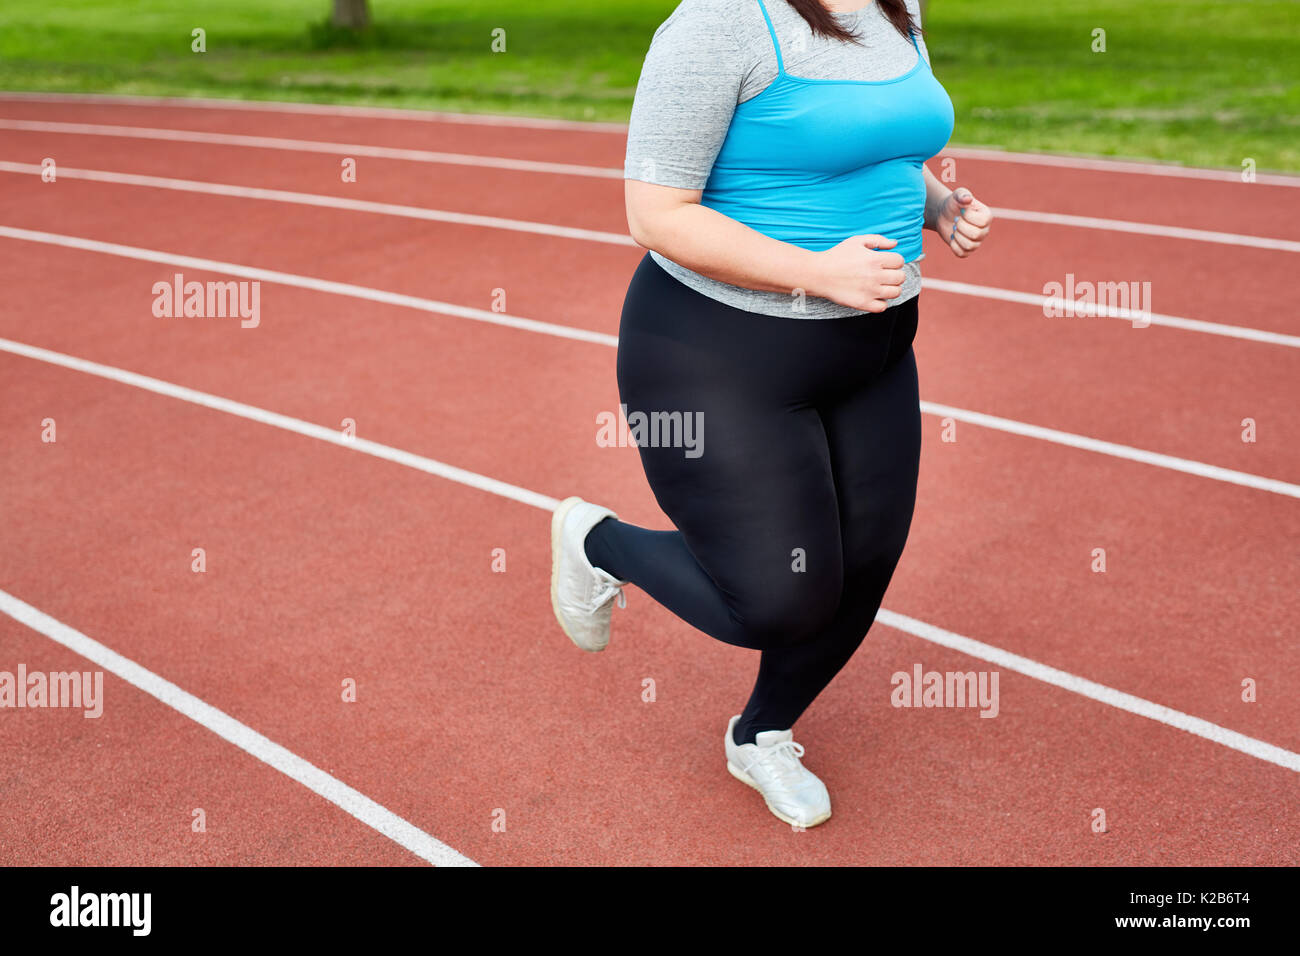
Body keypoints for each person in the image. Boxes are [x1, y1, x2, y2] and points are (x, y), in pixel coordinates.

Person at [551, 0, 992, 828]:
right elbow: (655, 214)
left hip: (876, 347)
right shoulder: (717, 25)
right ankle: (596, 541)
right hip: (715, 355)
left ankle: (761, 733)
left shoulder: (899, 7)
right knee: (778, 602)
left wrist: (937, 205)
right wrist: (814, 273)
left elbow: (882, 137)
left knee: (861, 571)